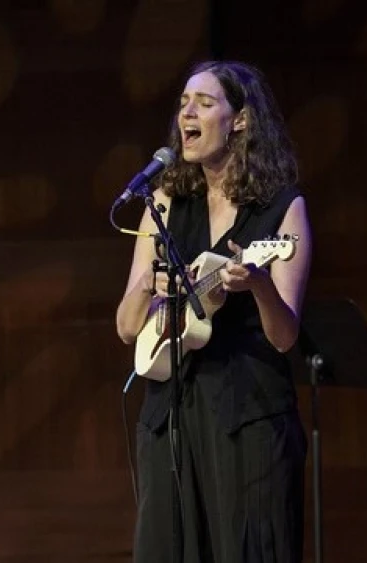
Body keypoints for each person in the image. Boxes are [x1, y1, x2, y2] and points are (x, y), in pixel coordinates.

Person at [115, 60, 311, 562]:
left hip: (247, 414)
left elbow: (286, 336)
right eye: (183, 103)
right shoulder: (162, 201)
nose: (188, 113)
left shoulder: (281, 210)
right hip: (171, 415)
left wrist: (261, 286)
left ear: (240, 120)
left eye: (204, 102)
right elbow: (125, 327)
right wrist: (149, 285)